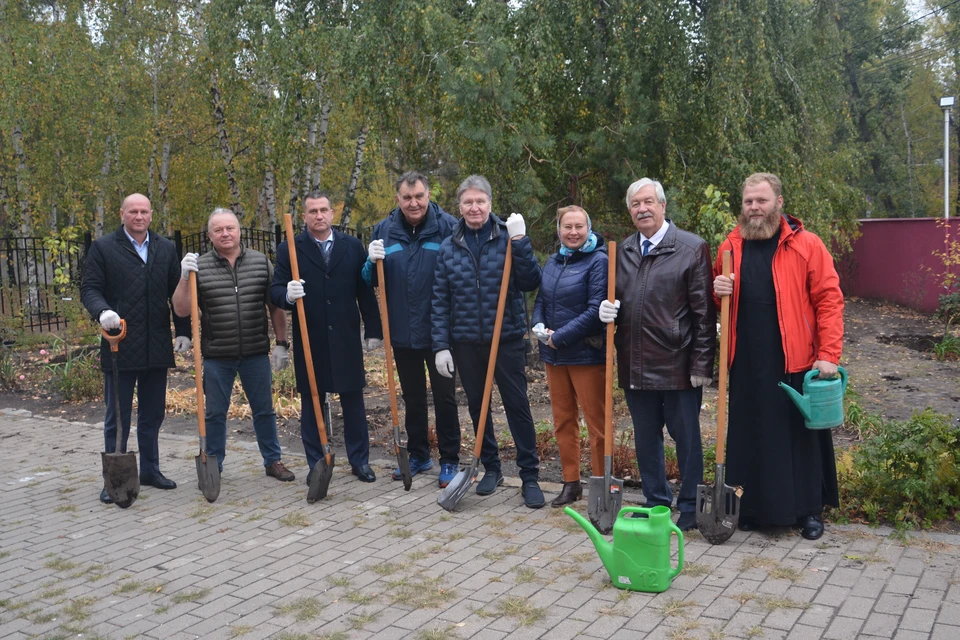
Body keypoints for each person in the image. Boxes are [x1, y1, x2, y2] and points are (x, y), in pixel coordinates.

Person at [713, 172, 843, 540]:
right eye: (749, 202)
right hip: (746, 361)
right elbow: (719, 301)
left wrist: (828, 353)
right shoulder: (731, 246)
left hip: (794, 360)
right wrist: (717, 288)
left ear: (779, 203)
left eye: (762, 201)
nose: (755, 208)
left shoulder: (806, 244)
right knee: (751, 434)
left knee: (798, 440)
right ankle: (751, 509)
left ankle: (808, 512)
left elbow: (830, 301)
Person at [598, 178, 716, 531]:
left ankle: (691, 505)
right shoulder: (622, 251)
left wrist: (701, 364)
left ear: (663, 205)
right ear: (630, 211)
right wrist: (606, 311)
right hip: (636, 364)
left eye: (648, 201)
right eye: (635, 204)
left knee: (687, 439)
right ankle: (656, 501)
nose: (642, 209)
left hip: (678, 366)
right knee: (646, 439)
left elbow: (704, 315)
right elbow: (615, 299)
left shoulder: (691, 248)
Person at [431, 175, 545, 508]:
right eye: (468, 202)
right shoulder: (449, 246)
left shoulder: (508, 237)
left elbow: (529, 280)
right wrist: (440, 345)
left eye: (480, 201)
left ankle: (530, 476)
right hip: (466, 341)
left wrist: (521, 241)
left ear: (490, 204)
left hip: (506, 338)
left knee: (517, 407)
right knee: (479, 407)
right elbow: (440, 299)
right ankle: (492, 467)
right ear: (460, 206)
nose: (474, 207)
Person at [171, 208, 295, 483]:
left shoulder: (261, 262)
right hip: (217, 356)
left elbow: (275, 306)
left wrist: (281, 343)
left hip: (255, 353)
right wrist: (183, 276)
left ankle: (273, 461)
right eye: (219, 230)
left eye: (230, 228)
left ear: (239, 231)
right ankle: (214, 464)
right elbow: (181, 310)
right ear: (210, 235)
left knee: (264, 410)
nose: (225, 233)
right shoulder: (199, 267)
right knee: (215, 413)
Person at [81, 193, 190, 503]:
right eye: (133, 211)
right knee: (117, 416)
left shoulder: (165, 248)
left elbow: (176, 294)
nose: (139, 216)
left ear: (151, 215)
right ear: (122, 214)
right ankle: (115, 479)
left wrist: (182, 331)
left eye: (144, 211)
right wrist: (102, 311)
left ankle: (151, 470)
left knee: (153, 414)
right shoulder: (103, 248)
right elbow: (89, 287)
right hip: (120, 344)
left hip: (156, 344)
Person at [271, 192, 383, 483]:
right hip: (312, 339)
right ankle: (317, 463)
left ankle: (360, 461)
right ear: (304, 216)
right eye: (312, 211)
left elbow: (364, 289)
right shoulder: (290, 249)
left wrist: (373, 329)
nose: (318, 215)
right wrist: (287, 294)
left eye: (323, 210)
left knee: (354, 402)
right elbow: (274, 291)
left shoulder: (352, 245)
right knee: (312, 402)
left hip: (345, 337)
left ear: (332, 213)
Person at [362, 172, 462, 488]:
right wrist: (369, 262)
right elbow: (370, 281)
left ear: (428, 195)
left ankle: (450, 460)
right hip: (403, 332)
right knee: (413, 397)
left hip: (440, 334)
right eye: (407, 198)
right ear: (398, 199)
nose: (414, 203)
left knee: (445, 398)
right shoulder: (384, 231)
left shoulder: (447, 228)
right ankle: (419, 455)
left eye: (419, 196)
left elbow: (459, 277)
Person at [531, 206, 608, 507]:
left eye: (579, 226)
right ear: (559, 230)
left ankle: (602, 486)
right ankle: (571, 483)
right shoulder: (553, 261)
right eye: (567, 227)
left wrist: (558, 338)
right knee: (563, 421)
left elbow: (594, 312)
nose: (573, 232)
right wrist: (537, 324)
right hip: (555, 355)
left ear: (589, 228)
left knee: (596, 424)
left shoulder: (598, 261)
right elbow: (541, 299)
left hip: (585, 355)